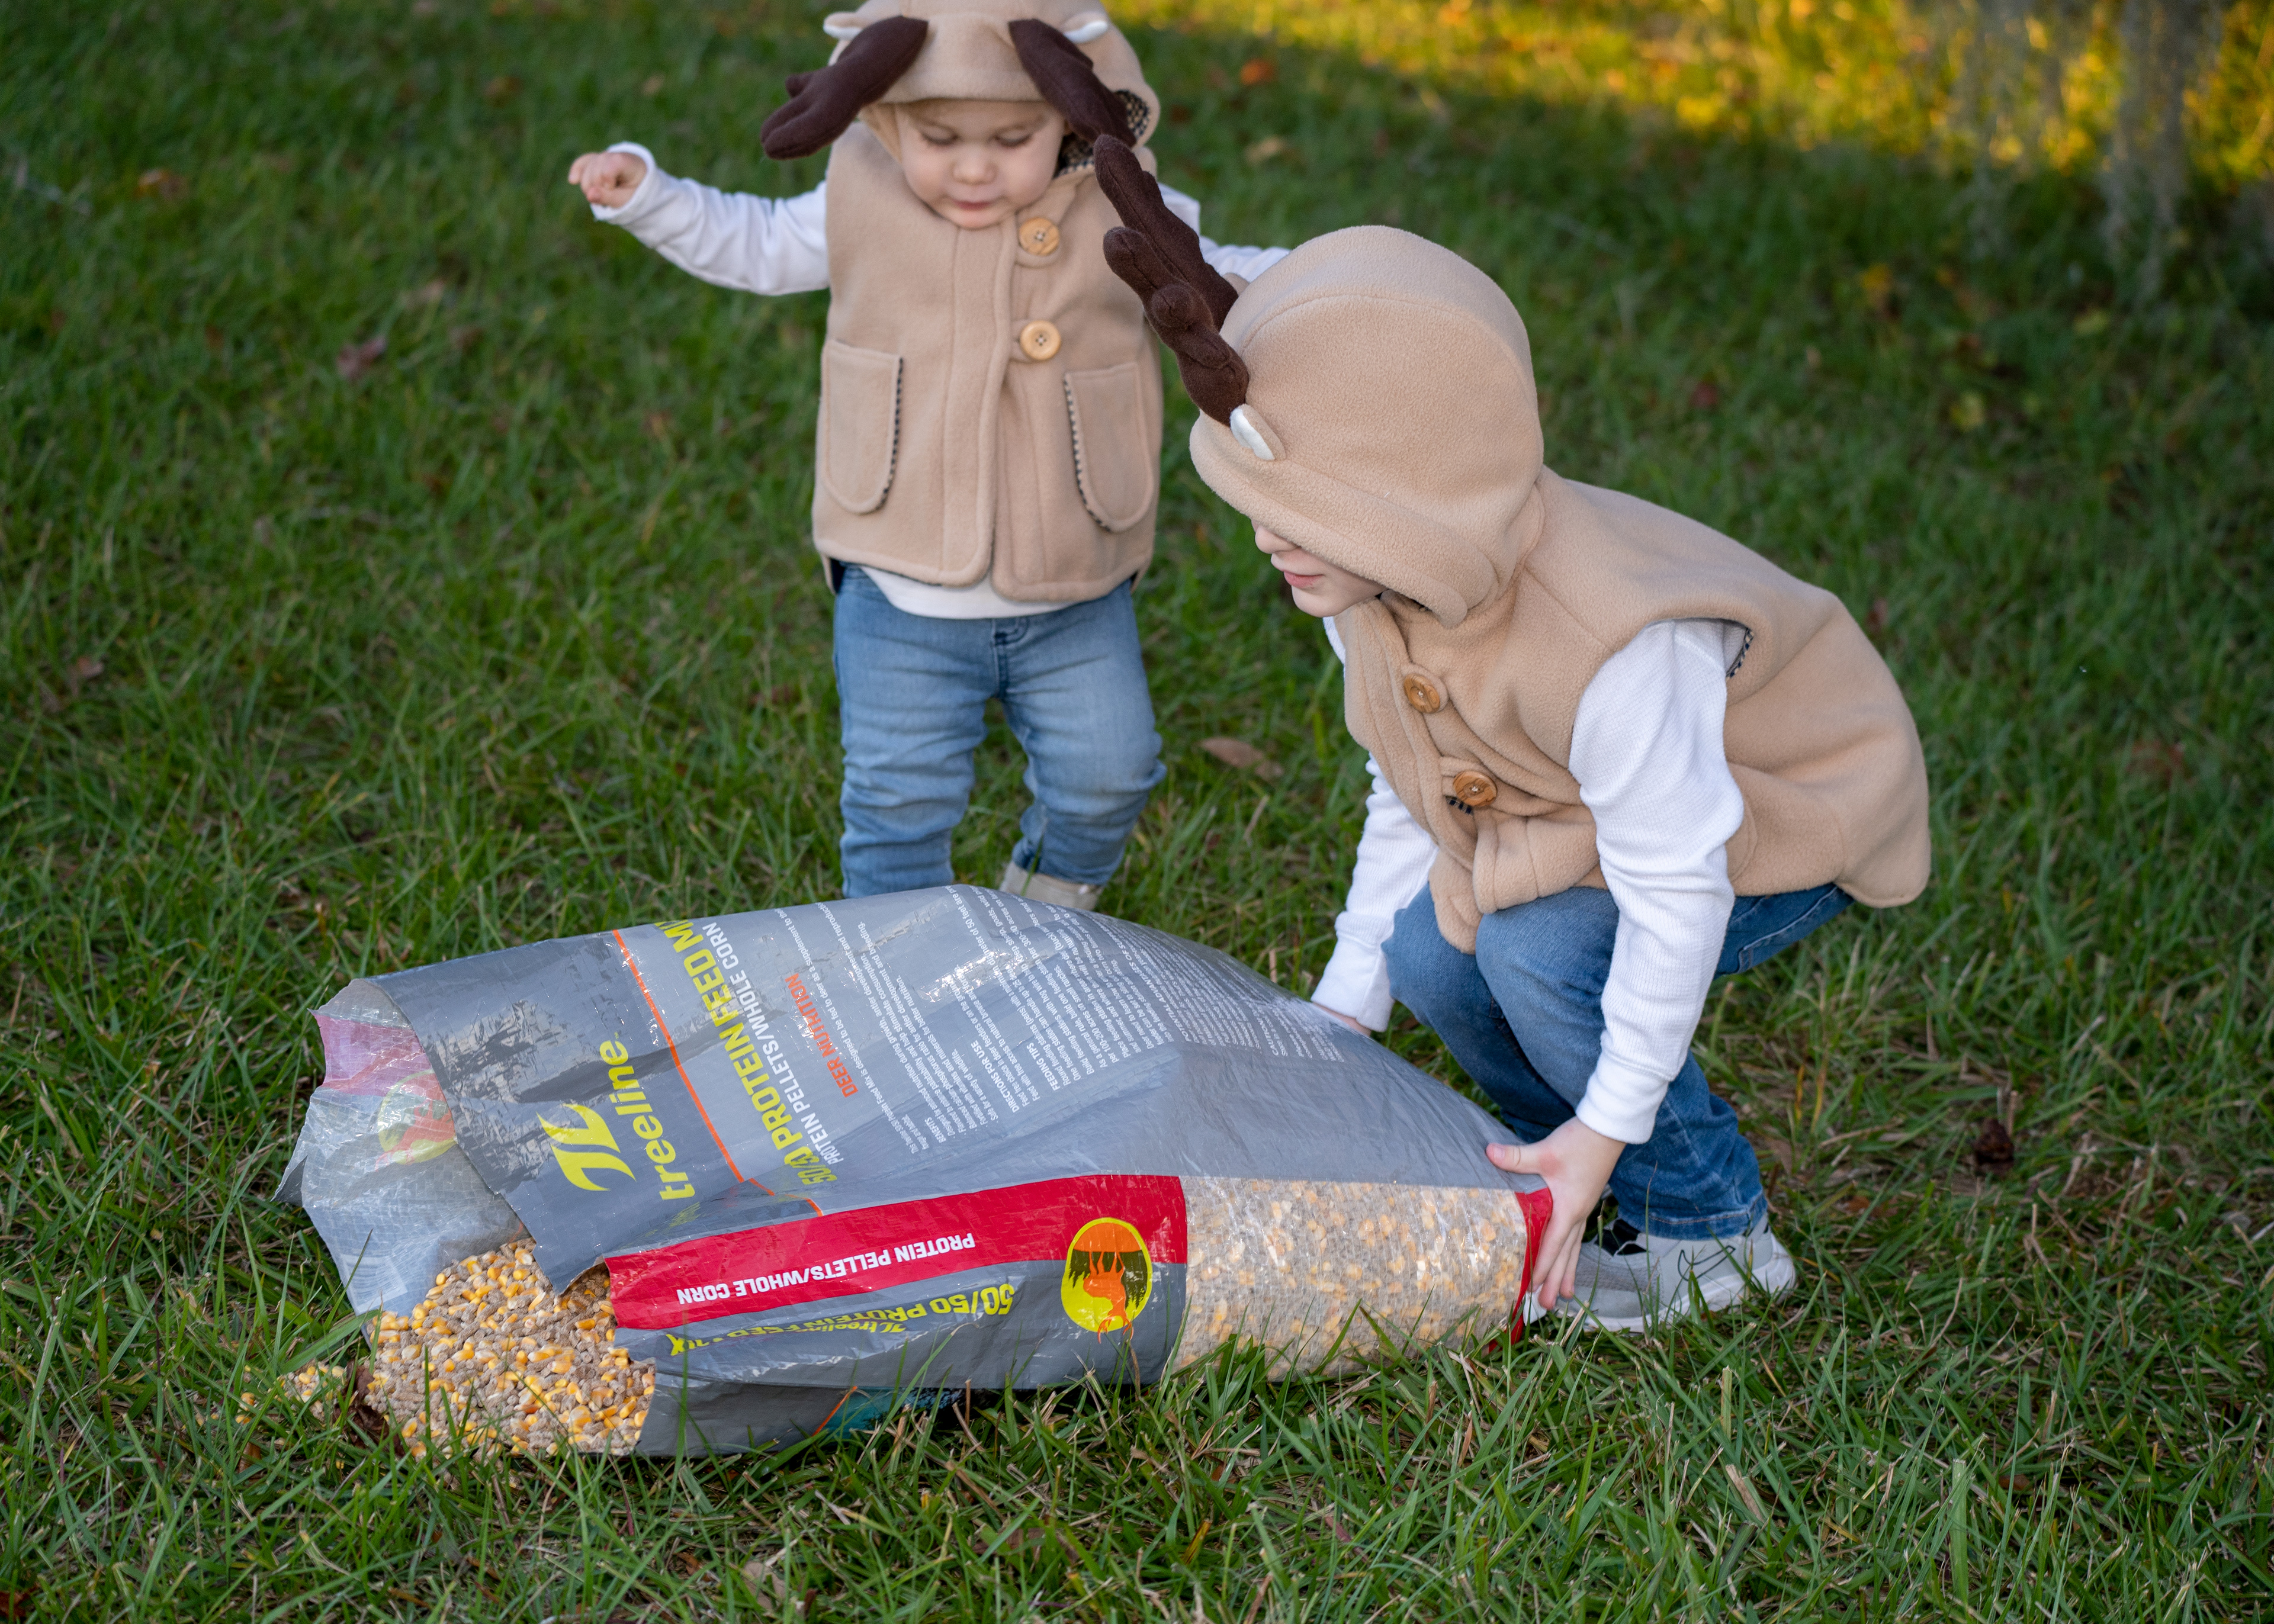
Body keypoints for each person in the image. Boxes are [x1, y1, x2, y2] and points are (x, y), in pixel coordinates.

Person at [1090, 144, 1931, 1329]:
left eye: (1307, 512)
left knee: (1538, 956)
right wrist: (1346, 1002)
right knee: (1432, 954)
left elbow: (1678, 885)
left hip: (1782, 804)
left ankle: (1711, 1232)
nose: (1273, 540)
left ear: (1420, 493)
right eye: (1265, 506)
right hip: (1577, 807)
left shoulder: (1612, 647)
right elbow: (1412, 781)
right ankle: (1574, 1171)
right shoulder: (1370, 582)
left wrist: (1616, 1109)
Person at [570, 1, 1286, 909]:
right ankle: (893, 956)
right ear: (885, 118)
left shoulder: (1123, 201)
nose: (975, 167)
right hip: (899, 582)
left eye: (1014, 138)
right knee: (898, 800)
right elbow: (758, 244)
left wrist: (1326, 275)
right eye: (940, 139)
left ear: (1069, 119)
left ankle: (1041, 919)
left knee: (1110, 777)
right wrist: (653, 198)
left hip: (1077, 580)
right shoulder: (860, 195)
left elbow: (1218, 270)